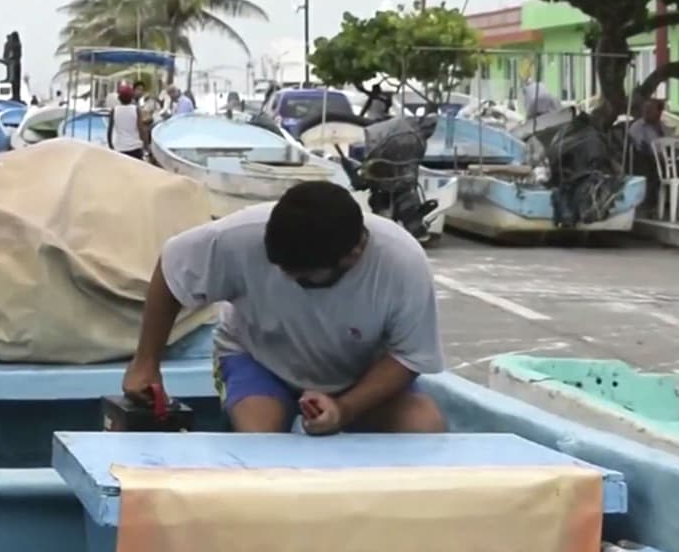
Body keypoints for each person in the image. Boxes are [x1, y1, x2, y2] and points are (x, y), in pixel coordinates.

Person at [121, 181, 446, 435]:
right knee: (261, 439)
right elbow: (172, 268)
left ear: (354, 254)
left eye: (302, 278)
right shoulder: (240, 235)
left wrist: (344, 408)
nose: (287, 279)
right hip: (258, 359)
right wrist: (146, 363)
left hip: (357, 376)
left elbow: (409, 357)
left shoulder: (403, 264)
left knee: (424, 425)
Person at [108, 82, 149, 159]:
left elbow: (109, 130)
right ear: (131, 97)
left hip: (120, 147)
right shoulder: (136, 109)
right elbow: (141, 129)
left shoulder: (114, 110)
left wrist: (110, 145)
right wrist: (146, 145)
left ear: (119, 98)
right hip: (135, 147)